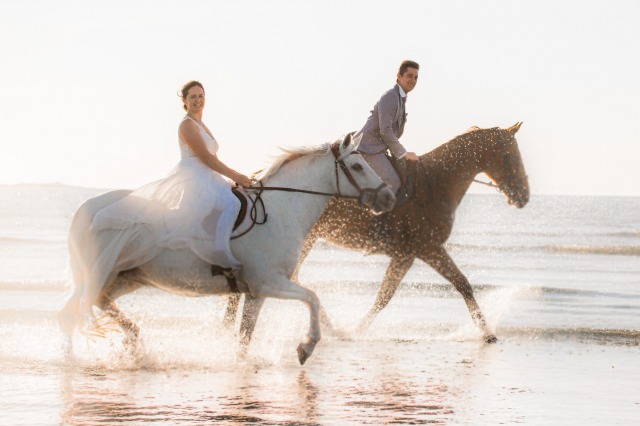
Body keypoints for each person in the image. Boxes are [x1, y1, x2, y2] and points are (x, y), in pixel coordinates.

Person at [88, 80, 252, 281]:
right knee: (230, 203)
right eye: (193, 97)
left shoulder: (202, 124)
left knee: (234, 199)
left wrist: (230, 180)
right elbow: (205, 157)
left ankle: (229, 247)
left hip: (209, 175)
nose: (198, 100)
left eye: (201, 96)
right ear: (184, 100)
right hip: (195, 176)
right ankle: (218, 255)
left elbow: (214, 156)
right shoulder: (187, 124)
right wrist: (236, 175)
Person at [356, 60, 419, 196]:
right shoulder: (391, 96)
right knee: (393, 181)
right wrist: (403, 153)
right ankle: (377, 216)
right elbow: (385, 130)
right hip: (368, 149)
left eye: (416, 77)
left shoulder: (401, 98)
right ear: (399, 76)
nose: (413, 80)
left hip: (378, 149)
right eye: (409, 75)